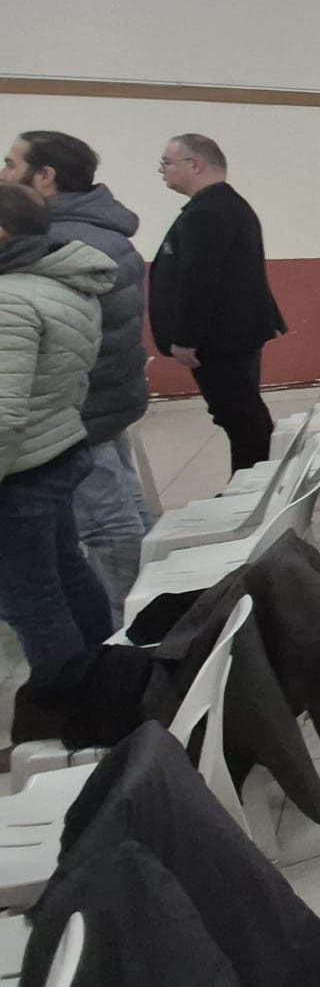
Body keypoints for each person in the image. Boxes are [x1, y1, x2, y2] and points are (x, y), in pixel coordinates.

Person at [3, 131, 149, 605]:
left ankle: (135, 619)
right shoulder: (99, 227)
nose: (3, 174)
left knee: (105, 522)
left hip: (79, 406)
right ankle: (155, 597)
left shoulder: (60, 240)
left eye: (11, 164)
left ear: (45, 176)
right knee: (123, 503)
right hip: (104, 394)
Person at [0, 184, 116, 677]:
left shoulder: (10, 300)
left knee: (33, 602)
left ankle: (70, 704)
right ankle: (103, 679)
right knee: (67, 572)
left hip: (19, 470)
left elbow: (4, 415)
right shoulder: (58, 282)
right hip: (55, 448)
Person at [149, 134, 286, 472]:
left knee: (239, 417)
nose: (161, 170)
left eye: (167, 162)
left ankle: (253, 484)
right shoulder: (222, 205)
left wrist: (185, 338)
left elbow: (200, 280)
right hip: (231, 333)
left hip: (220, 338)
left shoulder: (207, 213)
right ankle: (256, 479)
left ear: (195, 165)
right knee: (242, 414)